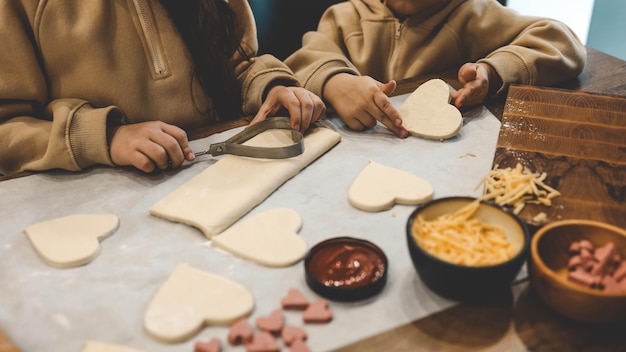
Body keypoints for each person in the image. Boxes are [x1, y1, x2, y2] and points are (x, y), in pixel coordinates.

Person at [0, 0, 326, 175]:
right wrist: (106, 138)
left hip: (219, 177)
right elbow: (8, 127)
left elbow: (240, 63)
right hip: (93, 206)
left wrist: (271, 86)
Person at [284, 0, 587, 138]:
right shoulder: (344, 15)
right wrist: (335, 81)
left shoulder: (473, 13)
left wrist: (493, 72)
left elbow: (562, 40)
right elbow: (305, 60)